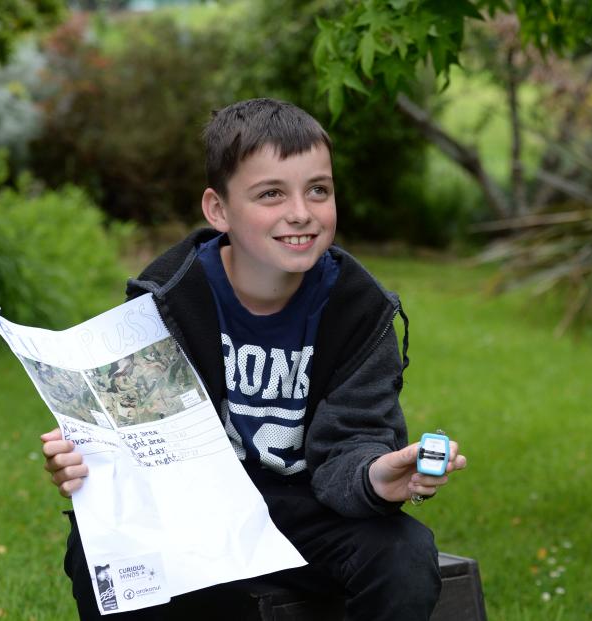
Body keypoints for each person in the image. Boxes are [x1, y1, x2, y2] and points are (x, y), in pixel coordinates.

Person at [41, 98, 468, 620]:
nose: (301, 213)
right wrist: (85, 463)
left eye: (318, 190)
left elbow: (352, 444)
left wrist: (376, 477)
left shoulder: (359, 309)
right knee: (97, 553)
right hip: (195, 511)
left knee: (403, 553)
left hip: (304, 507)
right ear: (218, 210)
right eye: (271, 194)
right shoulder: (168, 301)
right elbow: (135, 440)